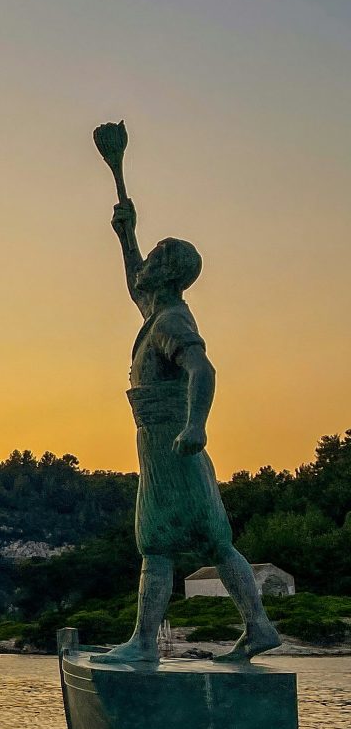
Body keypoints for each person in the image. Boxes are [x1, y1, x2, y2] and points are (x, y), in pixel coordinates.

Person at [93, 121, 279, 665]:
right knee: (214, 540)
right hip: (162, 442)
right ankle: (258, 626)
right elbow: (135, 283)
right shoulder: (157, 310)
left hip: (170, 441)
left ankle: (145, 642)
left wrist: (195, 426)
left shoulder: (172, 320)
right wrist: (125, 235)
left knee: (157, 542)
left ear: (167, 271)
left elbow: (204, 369)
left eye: (153, 253)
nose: (144, 259)